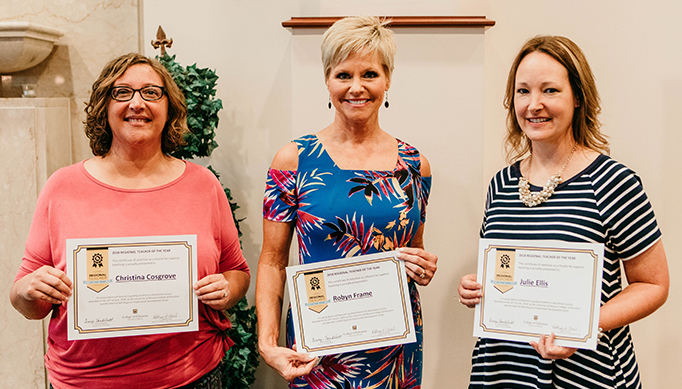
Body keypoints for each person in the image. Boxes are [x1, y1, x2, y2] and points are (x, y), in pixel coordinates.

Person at [9, 53, 250, 389]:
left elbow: (237, 271)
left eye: (151, 92)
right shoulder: (62, 187)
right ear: (104, 107)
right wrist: (29, 289)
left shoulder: (203, 185)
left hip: (191, 377)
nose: (137, 103)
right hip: (85, 382)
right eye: (122, 92)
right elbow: (26, 301)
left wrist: (228, 290)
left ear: (170, 109)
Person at [458, 35, 669, 388]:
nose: (534, 104)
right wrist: (477, 289)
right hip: (503, 370)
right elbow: (503, 274)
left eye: (550, 91)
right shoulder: (502, 183)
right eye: (523, 91)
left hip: (586, 372)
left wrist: (583, 327)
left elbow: (652, 284)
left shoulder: (613, 181)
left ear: (578, 99)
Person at [256, 16, 438, 388]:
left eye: (369, 74)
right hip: (320, 347)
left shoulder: (415, 164)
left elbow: (414, 251)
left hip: (394, 348)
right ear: (327, 81)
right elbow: (272, 260)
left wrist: (424, 267)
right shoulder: (294, 160)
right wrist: (267, 342)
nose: (357, 87)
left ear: (387, 79)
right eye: (343, 75)